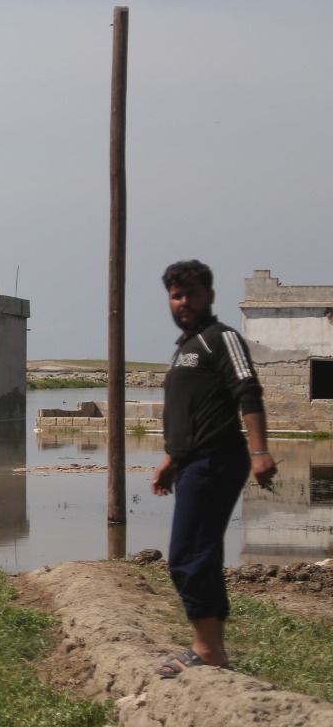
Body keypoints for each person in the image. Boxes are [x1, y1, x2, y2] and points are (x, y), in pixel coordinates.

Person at [150, 259, 277, 678]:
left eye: (191, 293)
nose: (183, 301)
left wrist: (260, 451)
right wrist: (171, 460)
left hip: (217, 459)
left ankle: (206, 651)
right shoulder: (185, 349)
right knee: (201, 553)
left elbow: (248, 390)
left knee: (186, 556)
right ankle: (212, 648)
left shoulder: (221, 338)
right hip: (192, 462)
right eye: (176, 295)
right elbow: (191, 414)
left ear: (209, 295)